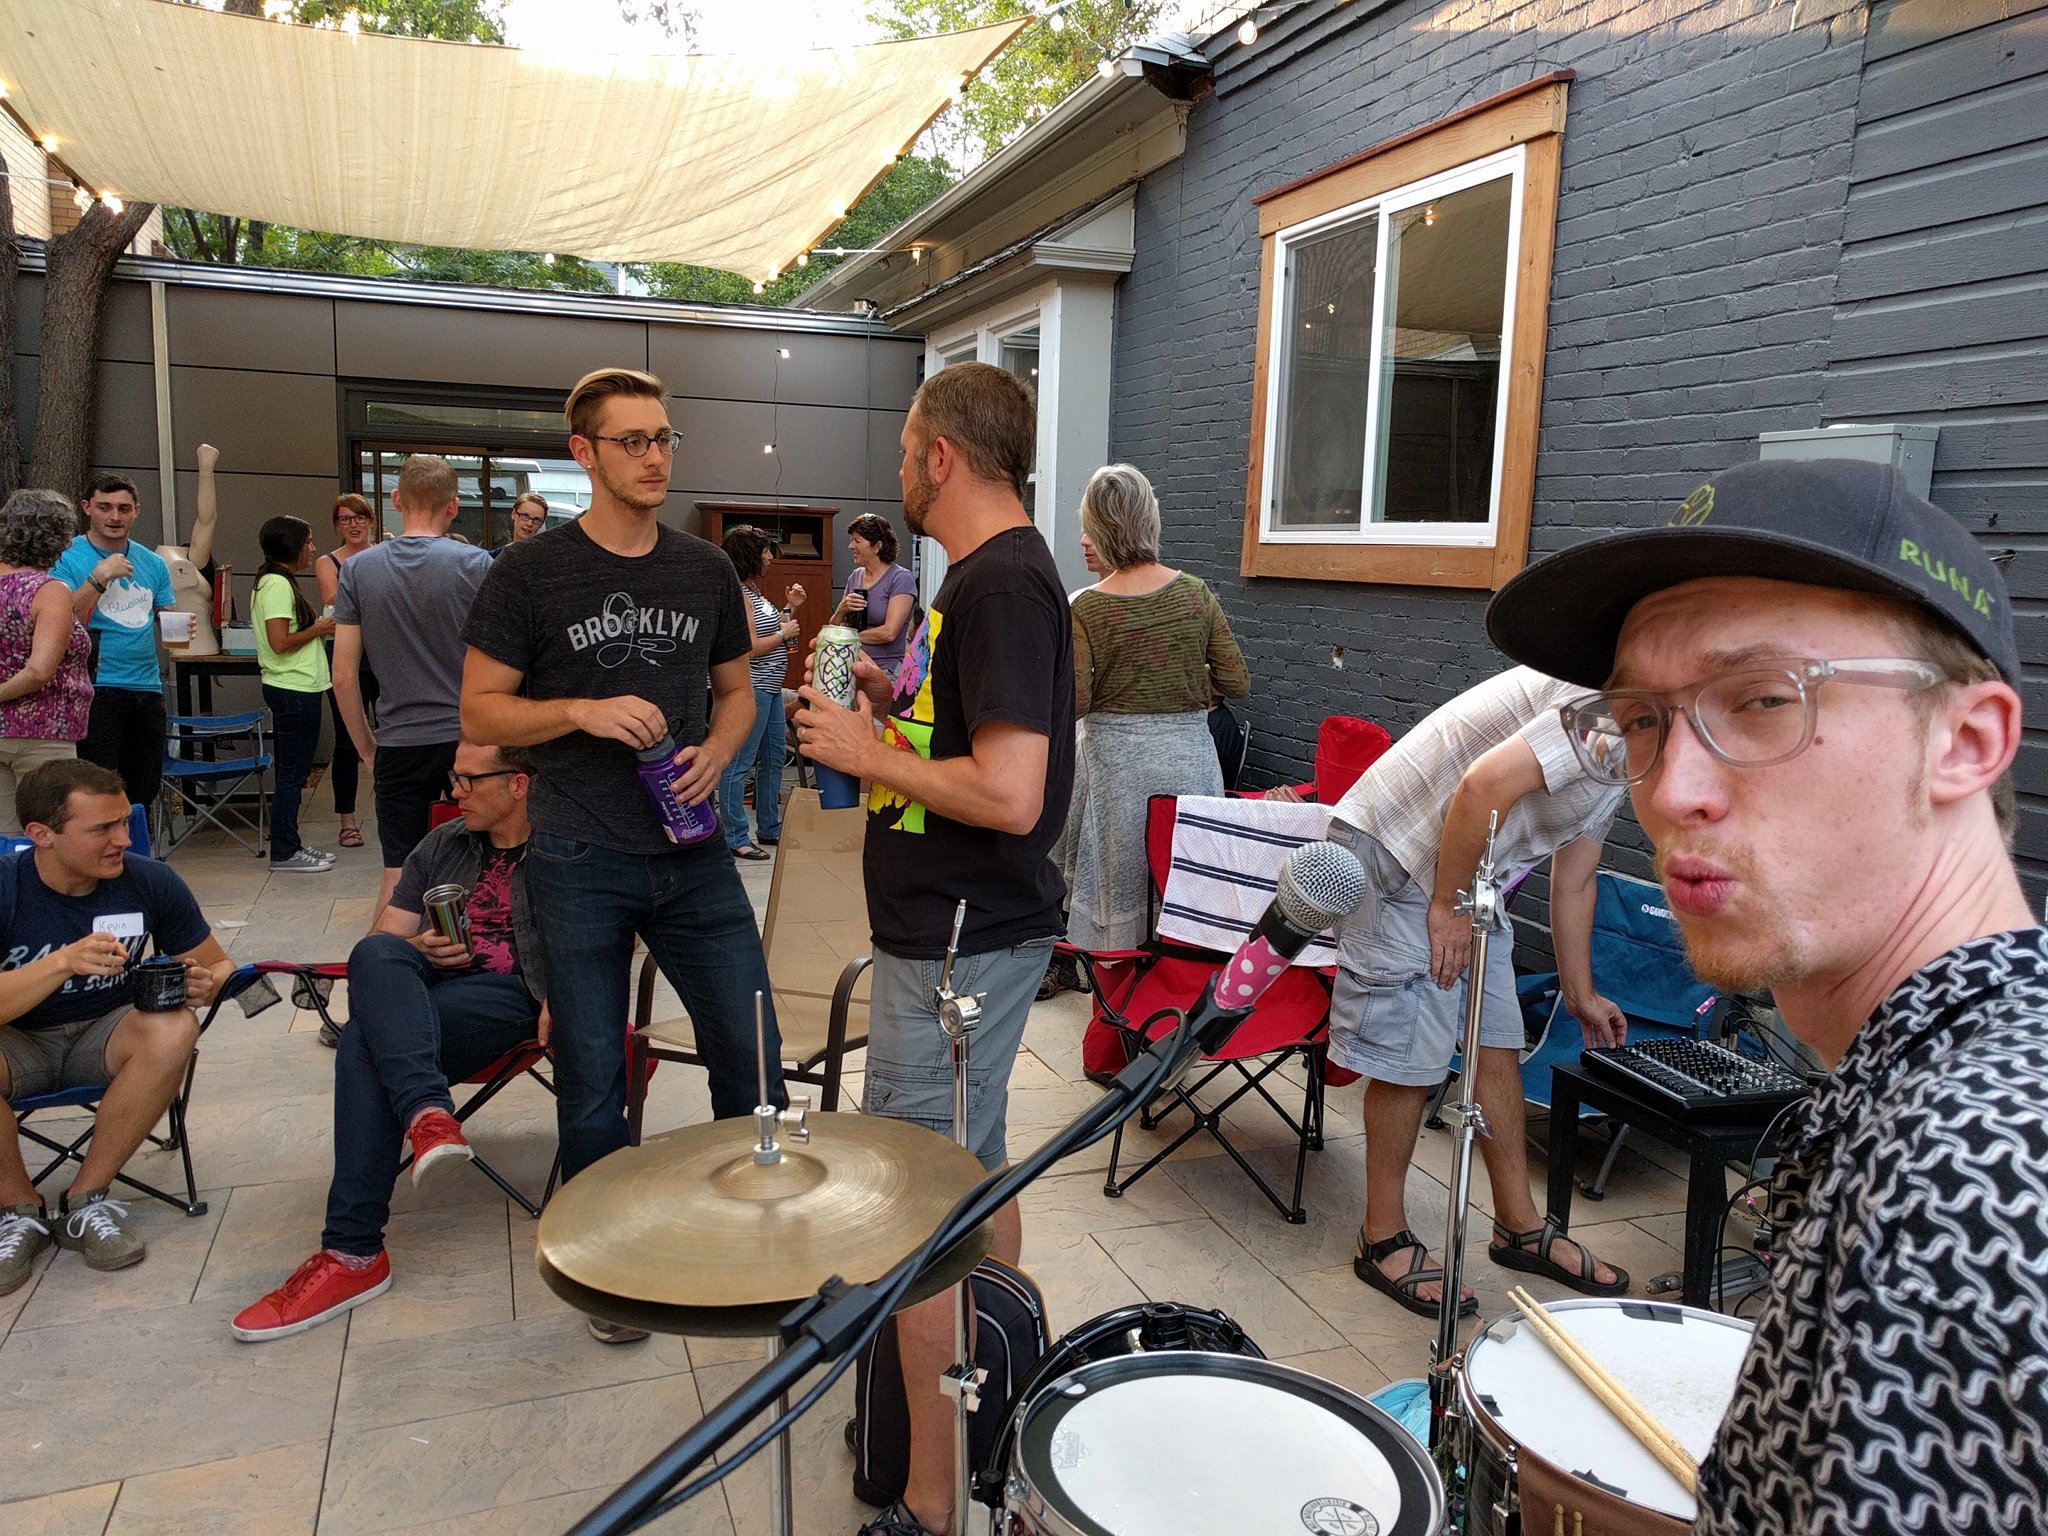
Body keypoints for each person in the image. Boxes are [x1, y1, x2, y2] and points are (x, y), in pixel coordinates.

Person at [1485, 458, 2047, 1536]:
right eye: (1641, 720)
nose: (1671, 791)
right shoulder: (1932, 1087)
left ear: (1965, 742)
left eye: (1759, 700)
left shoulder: (1965, 1177)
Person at [796, 361, 1074, 1536]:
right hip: (959, 932)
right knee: (975, 1177)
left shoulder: (999, 582)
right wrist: (891, 702)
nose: (900, 467)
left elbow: (1011, 794)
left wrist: (867, 757)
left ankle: (929, 1501)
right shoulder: (983, 578)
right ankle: (997, 1409)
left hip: (957, 944)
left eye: (908, 448)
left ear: (943, 457)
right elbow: (967, 747)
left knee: (917, 1216)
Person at [461, 369, 784, 1296]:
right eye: (632, 441)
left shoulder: (704, 568)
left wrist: (719, 753)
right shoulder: (528, 571)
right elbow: (479, 711)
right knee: (594, 1071)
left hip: (694, 853)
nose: (654, 457)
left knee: (752, 1052)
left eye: (663, 438)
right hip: (578, 853)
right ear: (584, 453)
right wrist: (578, 712)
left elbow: (735, 695)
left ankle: (756, 1235)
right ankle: (608, 1267)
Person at [1327, 666, 1631, 1317]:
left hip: (1471, 871)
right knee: (1411, 1049)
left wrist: (1579, 992)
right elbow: (1481, 786)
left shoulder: (1644, 746)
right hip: (1403, 849)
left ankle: (1518, 1226)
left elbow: (1576, 878)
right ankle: (1381, 1237)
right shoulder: (1612, 707)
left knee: (1496, 1039)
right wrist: (1446, 906)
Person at [229, 742, 556, 1341]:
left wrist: (569, 993)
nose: (454, 790)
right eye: (453, 777)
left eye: (468, 779)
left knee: (363, 1041)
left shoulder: (565, 847)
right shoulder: (443, 844)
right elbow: (385, 937)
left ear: (519, 784)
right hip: (428, 992)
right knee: (376, 952)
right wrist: (418, 946)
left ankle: (353, 1252)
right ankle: (428, 1114)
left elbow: (609, 934)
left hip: (512, 995)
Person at [0, 760, 235, 1291]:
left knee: (174, 1026)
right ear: (42, 835)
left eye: (125, 822)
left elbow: (220, 965)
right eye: (102, 828)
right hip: (16, 1043)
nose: (123, 840)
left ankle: (85, 1200)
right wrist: (62, 962)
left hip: (105, 1037)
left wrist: (207, 983)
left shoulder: (148, 880)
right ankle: (18, 1211)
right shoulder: (6, 887)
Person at [1058, 463, 1249, 951]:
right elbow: (1237, 682)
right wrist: (1184, 685)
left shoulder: (1086, 608)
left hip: (1116, 773)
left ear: (1100, 527)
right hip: (1189, 765)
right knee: (1187, 891)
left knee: (1118, 909)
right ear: (1150, 519)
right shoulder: (1195, 594)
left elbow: (1076, 702)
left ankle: (1118, 995)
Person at [333, 455, 495, 916]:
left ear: (396, 500)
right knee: (486, 866)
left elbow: (343, 674)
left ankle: (388, 958)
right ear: (453, 506)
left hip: (399, 740)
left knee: (398, 873)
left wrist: (367, 748)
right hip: (470, 740)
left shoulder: (358, 570)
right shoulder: (477, 564)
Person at [52, 473, 174, 808]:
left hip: (147, 687)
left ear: (136, 511)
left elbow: (165, 615)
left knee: (144, 790)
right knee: (97, 790)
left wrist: (178, 623)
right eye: (104, 507)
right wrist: (99, 576)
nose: (114, 517)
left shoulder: (153, 563)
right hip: (95, 685)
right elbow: (61, 618)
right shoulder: (66, 557)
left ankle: (136, 843)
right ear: (86, 508)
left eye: (123, 508)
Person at [0, 491, 93, 834]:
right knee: (52, 835)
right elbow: (39, 671)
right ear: (60, 538)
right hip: (42, 732)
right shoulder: (49, 590)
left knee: (5, 841)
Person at [252, 516, 337, 873]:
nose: (312, 548)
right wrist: (319, 628)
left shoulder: (278, 580)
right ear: (292, 546)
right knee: (292, 773)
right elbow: (280, 642)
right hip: (292, 687)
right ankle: (284, 851)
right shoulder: (276, 584)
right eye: (308, 542)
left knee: (295, 771)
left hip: (298, 686)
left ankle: (291, 842)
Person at [718, 524, 803, 860]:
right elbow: (750, 647)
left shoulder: (755, 592)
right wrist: (784, 634)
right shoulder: (740, 594)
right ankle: (735, 835)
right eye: (765, 551)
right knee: (741, 762)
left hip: (770, 689)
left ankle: (770, 827)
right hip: (752, 688)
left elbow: (775, 628)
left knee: (773, 758)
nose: (770, 557)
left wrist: (790, 608)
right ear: (749, 557)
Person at [317, 492, 378, 850]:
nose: (353, 525)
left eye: (359, 517)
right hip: (345, 654)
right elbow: (333, 599)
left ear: (371, 520)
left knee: (398, 733)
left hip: (384, 653)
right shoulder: (328, 561)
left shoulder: (385, 552)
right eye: (345, 519)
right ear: (337, 525)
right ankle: (348, 821)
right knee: (347, 740)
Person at [830, 512, 917, 676]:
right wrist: (841, 609)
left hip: (885, 670)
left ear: (877, 546)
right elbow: (834, 629)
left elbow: (889, 633)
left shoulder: (900, 578)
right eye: (851, 540)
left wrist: (850, 636)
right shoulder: (855, 576)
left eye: (857, 541)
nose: (851, 546)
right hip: (850, 667)